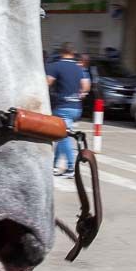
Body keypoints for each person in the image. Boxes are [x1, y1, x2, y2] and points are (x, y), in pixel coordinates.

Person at [46, 42, 89, 176]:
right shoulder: (79, 68)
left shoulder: (56, 66)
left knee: (63, 136)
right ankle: (54, 165)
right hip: (76, 107)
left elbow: (47, 83)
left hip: (62, 106)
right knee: (61, 135)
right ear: (73, 53)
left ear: (61, 52)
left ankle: (71, 167)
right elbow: (86, 86)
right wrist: (80, 95)